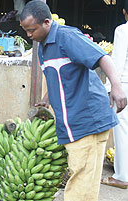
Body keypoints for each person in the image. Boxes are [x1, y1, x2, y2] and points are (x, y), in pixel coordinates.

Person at [19, 1, 127, 201]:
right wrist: (46, 99)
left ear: (46, 22)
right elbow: (57, 76)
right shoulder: (42, 47)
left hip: (88, 120)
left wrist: (117, 87)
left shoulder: (67, 37)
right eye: (26, 31)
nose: (29, 35)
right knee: (82, 177)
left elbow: (103, 57)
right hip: (71, 123)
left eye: (32, 30)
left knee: (81, 182)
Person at [102, 0, 128, 189]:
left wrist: (110, 87)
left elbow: (117, 61)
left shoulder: (123, 30)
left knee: (123, 131)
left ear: (125, 12)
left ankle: (122, 176)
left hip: (125, 86)